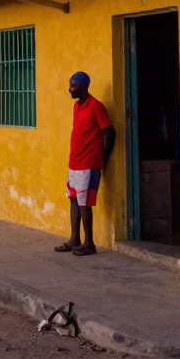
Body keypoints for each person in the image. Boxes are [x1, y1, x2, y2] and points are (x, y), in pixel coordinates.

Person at [54, 71, 115, 257]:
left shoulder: (96, 106)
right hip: (75, 162)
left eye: (73, 85)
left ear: (82, 87)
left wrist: (102, 157)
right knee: (73, 199)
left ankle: (89, 244)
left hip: (89, 163)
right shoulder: (76, 106)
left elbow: (109, 132)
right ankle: (75, 239)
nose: (69, 89)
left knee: (84, 203)